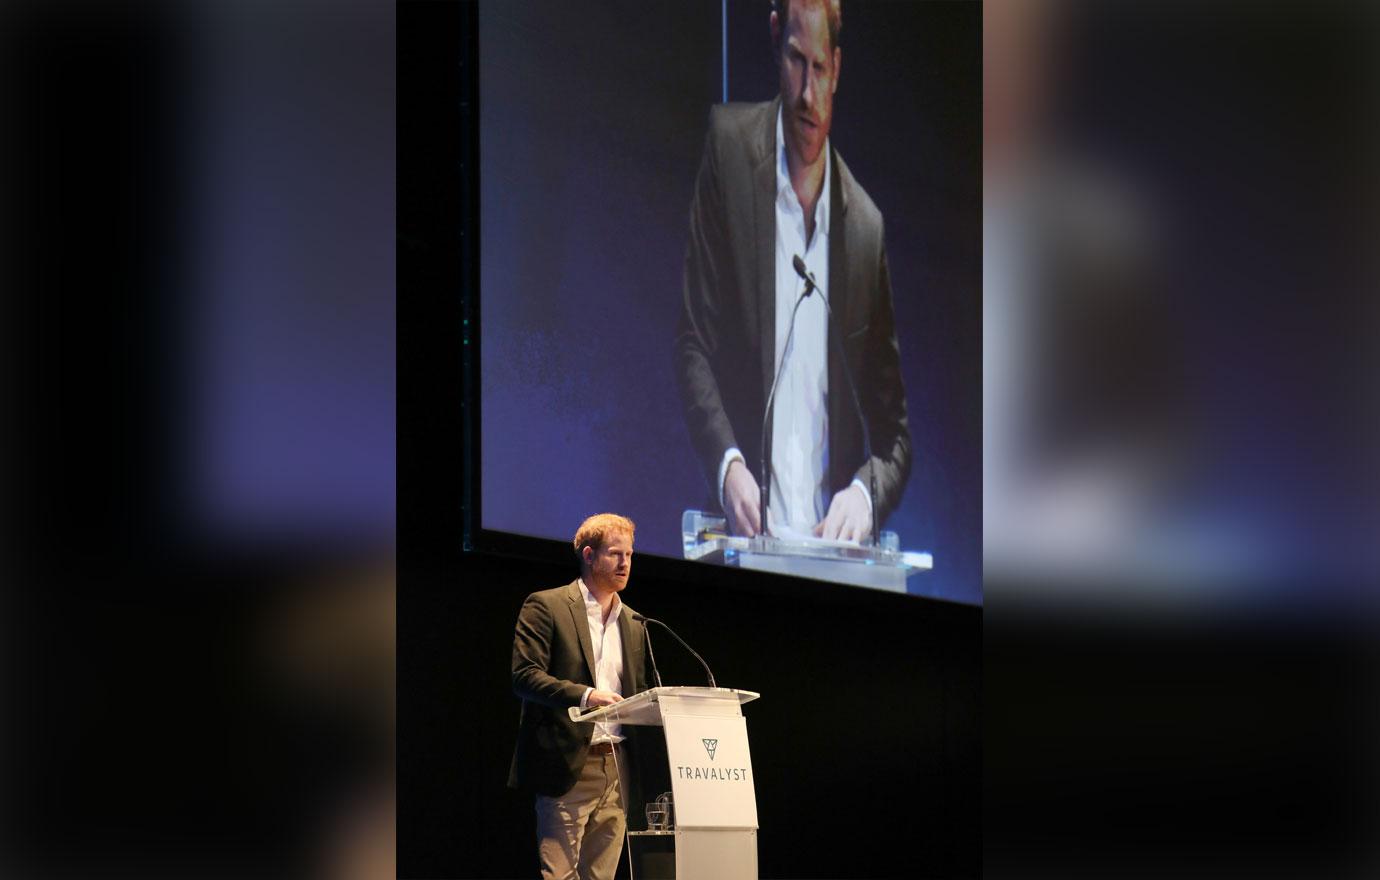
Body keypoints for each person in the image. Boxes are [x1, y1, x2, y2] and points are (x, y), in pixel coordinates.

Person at [675, 0, 911, 544]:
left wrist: (866, 492)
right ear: (776, 42)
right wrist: (727, 465)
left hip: (832, 570)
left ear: (839, 67)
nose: (808, 93)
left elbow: (896, 437)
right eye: (795, 62)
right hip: (740, 549)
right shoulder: (730, 152)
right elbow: (692, 345)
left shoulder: (865, 230)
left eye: (820, 69)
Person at [508, 513, 649, 880]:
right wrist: (587, 696)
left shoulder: (634, 623)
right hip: (569, 763)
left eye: (630, 555)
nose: (625, 564)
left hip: (618, 767)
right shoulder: (547, 606)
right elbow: (525, 677)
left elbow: (639, 693)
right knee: (559, 875)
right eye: (615, 554)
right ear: (588, 555)